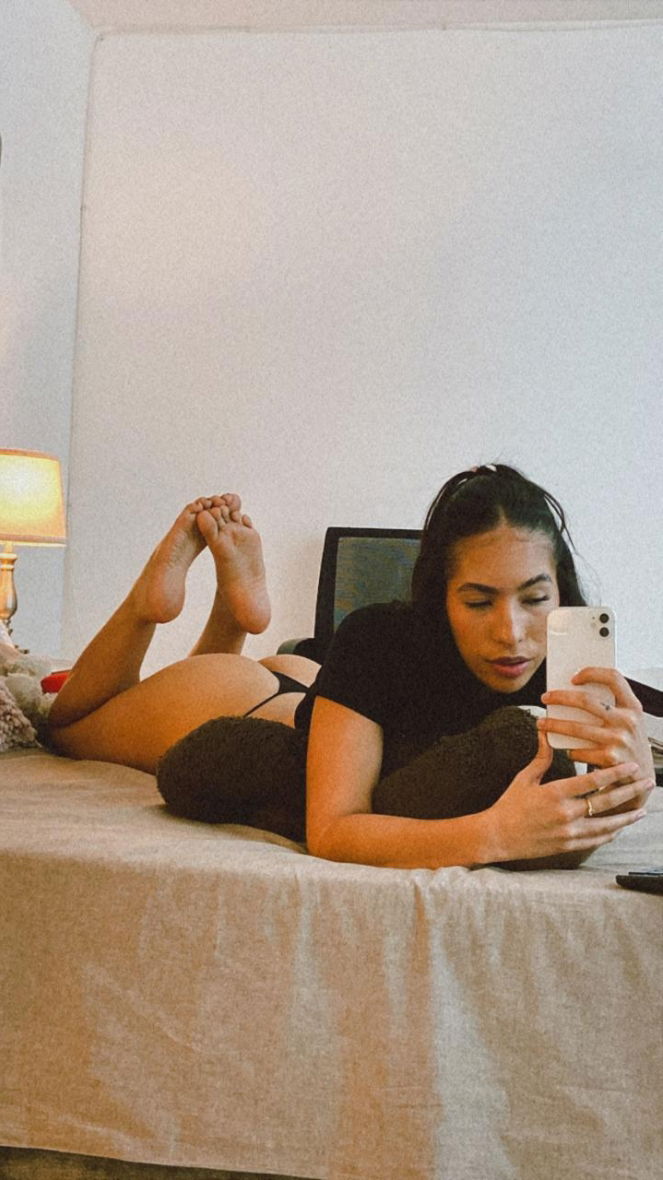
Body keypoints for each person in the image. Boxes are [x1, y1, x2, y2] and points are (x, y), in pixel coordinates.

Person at [48, 467, 655, 870]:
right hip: (240, 697)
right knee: (68, 726)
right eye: (478, 602)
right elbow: (334, 829)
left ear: (560, 591)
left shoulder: (569, 666)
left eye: (535, 597)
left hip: (318, 687)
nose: (511, 632)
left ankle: (234, 611)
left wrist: (633, 777)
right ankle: (149, 602)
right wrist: (495, 834)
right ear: (438, 597)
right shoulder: (379, 636)